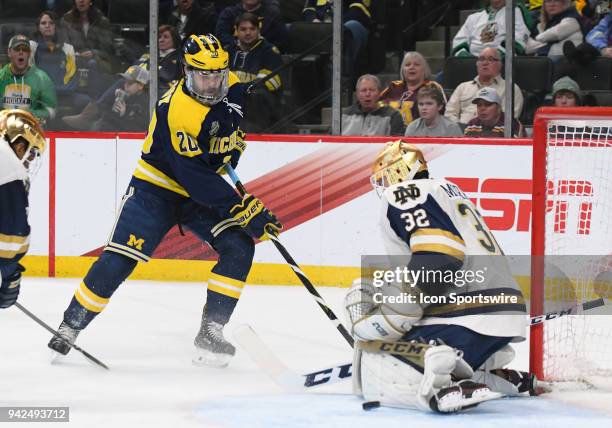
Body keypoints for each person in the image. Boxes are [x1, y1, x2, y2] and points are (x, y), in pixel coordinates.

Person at [47, 34, 282, 368]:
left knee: (240, 245)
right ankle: (70, 325)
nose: (213, 82)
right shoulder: (178, 110)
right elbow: (195, 178)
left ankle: (211, 331)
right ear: (186, 70)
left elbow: (227, 125)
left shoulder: (225, 83)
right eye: (204, 75)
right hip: (155, 191)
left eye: (218, 74)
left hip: (196, 192)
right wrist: (240, 207)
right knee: (120, 259)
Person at [344, 140, 530, 412]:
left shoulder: (402, 192)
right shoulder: (447, 190)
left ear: (400, 171)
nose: (384, 185)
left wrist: (398, 312)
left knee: (377, 366)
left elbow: (441, 255)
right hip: (504, 311)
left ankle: (440, 382)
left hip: (468, 312)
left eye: (386, 176)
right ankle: (489, 376)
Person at [0, 110, 46, 309]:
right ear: (19, 146)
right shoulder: (10, 168)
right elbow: (11, 238)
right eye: (31, 153)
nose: (28, 162)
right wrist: (11, 275)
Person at [29, 10, 90, 117]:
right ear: (38, 27)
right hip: (40, 96)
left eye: (51, 23)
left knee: (86, 101)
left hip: (63, 94)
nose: (47, 26)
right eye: (43, 23)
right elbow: (29, 75)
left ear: (56, 26)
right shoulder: (31, 47)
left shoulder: (68, 48)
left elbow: (71, 77)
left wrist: (59, 90)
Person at [229, 12, 283, 132]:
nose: (248, 33)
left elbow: (269, 82)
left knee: (256, 95)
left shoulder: (269, 51)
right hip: (233, 99)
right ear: (236, 31)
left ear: (259, 30)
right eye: (243, 29)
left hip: (261, 104)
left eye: (252, 29)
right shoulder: (228, 51)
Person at [445, 47, 523, 125]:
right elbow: (449, 113)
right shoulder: (462, 87)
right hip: (461, 133)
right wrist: (459, 130)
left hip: (494, 134)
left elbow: (510, 120)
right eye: (481, 59)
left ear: (500, 64)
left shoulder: (511, 89)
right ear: (477, 64)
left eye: (490, 59)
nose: (485, 63)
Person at [0, 35, 57, 125]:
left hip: (33, 129)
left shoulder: (42, 78)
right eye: (17, 49)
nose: (21, 52)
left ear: (29, 53)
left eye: (25, 49)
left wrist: (29, 114)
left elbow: (52, 111)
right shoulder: (1, 77)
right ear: (9, 52)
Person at [61, 0, 114, 96]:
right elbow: (64, 44)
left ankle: (94, 102)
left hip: (98, 59)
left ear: (90, 1)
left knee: (92, 63)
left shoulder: (101, 20)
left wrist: (94, 53)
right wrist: (77, 54)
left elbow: (107, 47)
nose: (81, 1)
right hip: (74, 59)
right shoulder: (67, 20)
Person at [380, 52, 446, 126]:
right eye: (407, 65)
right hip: (390, 133)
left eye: (416, 64)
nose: (412, 67)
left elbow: (444, 114)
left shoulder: (432, 87)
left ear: (424, 69)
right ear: (403, 69)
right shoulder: (393, 87)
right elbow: (377, 106)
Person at [452, 0, 530, 57]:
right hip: (471, 62)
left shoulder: (516, 12)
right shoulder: (474, 17)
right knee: (441, 77)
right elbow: (459, 40)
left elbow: (519, 38)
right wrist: (464, 57)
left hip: (500, 62)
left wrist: (497, 56)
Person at [216, 0, 288, 52]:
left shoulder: (273, 14)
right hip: (233, 56)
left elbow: (281, 41)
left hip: (264, 58)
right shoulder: (229, 13)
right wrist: (241, 46)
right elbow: (221, 36)